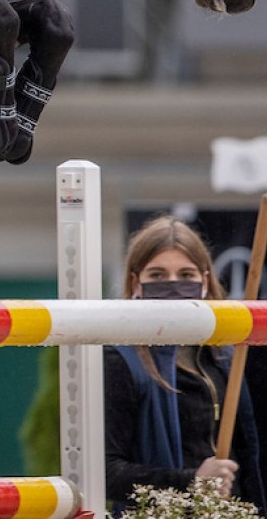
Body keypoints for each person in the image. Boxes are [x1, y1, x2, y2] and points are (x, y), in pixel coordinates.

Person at [105, 215, 266, 514]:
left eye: (186, 274)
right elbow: (107, 471)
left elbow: (249, 456)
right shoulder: (121, 359)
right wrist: (191, 481)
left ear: (205, 281)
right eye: (157, 275)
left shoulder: (225, 355)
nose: (173, 285)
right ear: (134, 281)